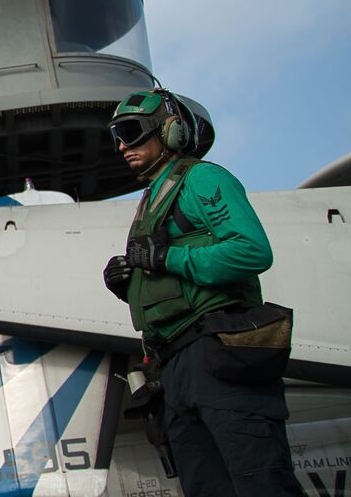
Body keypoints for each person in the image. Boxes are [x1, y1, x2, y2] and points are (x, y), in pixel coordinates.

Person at [101, 89, 300, 497]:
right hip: (174, 368)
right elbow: (172, 276)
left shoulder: (202, 179)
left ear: (171, 132)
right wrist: (129, 284)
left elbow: (251, 250)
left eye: (132, 132)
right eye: (116, 136)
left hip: (218, 352)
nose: (122, 145)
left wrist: (165, 259)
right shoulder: (151, 199)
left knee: (261, 483)